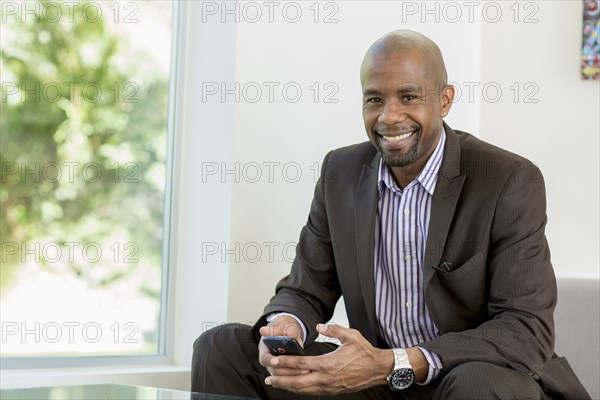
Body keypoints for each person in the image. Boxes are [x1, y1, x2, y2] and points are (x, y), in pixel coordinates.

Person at [191, 30, 590, 400]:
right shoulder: (340, 174)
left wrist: (397, 361)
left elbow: (525, 332)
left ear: (445, 100)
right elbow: (305, 290)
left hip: (466, 376)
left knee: (478, 382)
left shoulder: (508, 180)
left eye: (409, 97)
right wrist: (285, 326)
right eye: (374, 99)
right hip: (377, 381)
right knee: (220, 347)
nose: (389, 116)